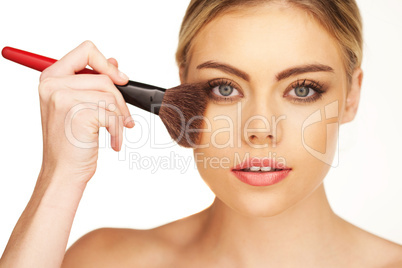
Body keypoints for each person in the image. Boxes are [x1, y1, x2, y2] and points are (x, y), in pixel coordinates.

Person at [1, 0, 402, 267]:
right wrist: (58, 179)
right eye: (224, 89)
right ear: (181, 90)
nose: (259, 129)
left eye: (302, 89)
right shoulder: (107, 260)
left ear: (351, 97)